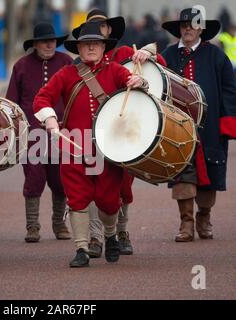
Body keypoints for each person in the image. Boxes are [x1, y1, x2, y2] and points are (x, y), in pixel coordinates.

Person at [33, 22, 149, 268]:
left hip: (108, 149)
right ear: (79, 49)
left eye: (95, 43)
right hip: (74, 146)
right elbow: (42, 97)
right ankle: (81, 249)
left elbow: (133, 82)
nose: (91, 48)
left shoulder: (116, 70)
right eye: (86, 44)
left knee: (108, 201)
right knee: (76, 199)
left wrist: (139, 82)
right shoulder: (66, 74)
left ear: (103, 47)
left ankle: (109, 235)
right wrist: (51, 120)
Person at [72, 9, 167, 257]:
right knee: (91, 186)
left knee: (123, 187)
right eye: (92, 27)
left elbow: (161, 68)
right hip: (92, 134)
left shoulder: (125, 54)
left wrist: (148, 52)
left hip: (125, 131)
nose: (97, 31)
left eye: (101, 26)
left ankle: (121, 232)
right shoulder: (79, 64)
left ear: (109, 30)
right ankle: (95, 238)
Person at [161, 8, 236, 242]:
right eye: (184, 25)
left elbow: (229, 89)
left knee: (211, 171)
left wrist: (227, 121)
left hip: (210, 126)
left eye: (193, 25)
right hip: (177, 126)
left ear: (201, 28)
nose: (188, 29)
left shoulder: (216, 55)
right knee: (182, 171)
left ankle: (204, 217)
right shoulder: (168, 55)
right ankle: (186, 222)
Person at [6, 22, 72, 243]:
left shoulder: (67, 63)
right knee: (34, 178)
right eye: (45, 41)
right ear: (35, 44)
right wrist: (14, 133)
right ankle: (32, 226)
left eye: (52, 40)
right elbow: (11, 104)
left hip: (61, 131)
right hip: (31, 132)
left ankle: (59, 222)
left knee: (60, 179)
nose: (49, 44)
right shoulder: (21, 66)